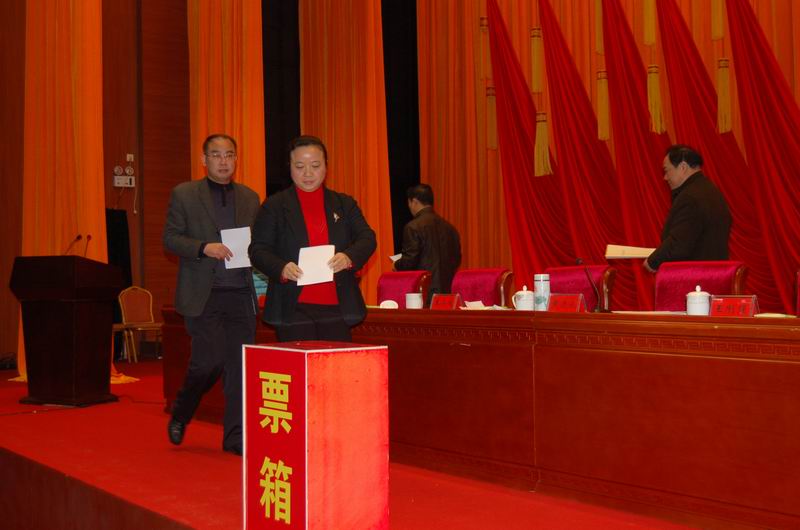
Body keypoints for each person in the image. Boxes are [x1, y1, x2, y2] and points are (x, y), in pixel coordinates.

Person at [162, 133, 260, 456]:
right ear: (204, 160)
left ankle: (235, 438)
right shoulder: (185, 194)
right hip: (204, 295)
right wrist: (204, 247)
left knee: (239, 369)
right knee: (208, 362)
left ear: (236, 159)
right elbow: (171, 239)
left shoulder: (250, 198)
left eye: (229, 155)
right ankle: (181, 411)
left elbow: (258, 245)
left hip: (240, 294)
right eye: (216, 155)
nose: (223, 161)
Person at [249, 135, 376, 341]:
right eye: (299, 166)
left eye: (315, 165)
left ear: (326, 166)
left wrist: (349, 257)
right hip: (292, 308)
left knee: (334, 362)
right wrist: (281, 267)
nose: (307, 173)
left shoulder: (344, 203)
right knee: (298, 361)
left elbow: (367, 238)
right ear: (290, 167)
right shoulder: (274, 205)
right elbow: (257, 250)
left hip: (337, 306)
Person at [645, 145, 732, 272]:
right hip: (714, 274)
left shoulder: (689, 197)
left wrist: (652, 262)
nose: (665, 177)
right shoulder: (710, 189)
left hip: (695, 277)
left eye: (666, 171)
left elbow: (679, 243)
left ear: (683, 167)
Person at [394, 184, 462, 302]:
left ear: (414, 201)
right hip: (448, 292)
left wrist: (396, 265)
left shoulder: (413, 227)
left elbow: (409, 262)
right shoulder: (451, 229)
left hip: (423, 292)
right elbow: (457, 260)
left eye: (409, 203)